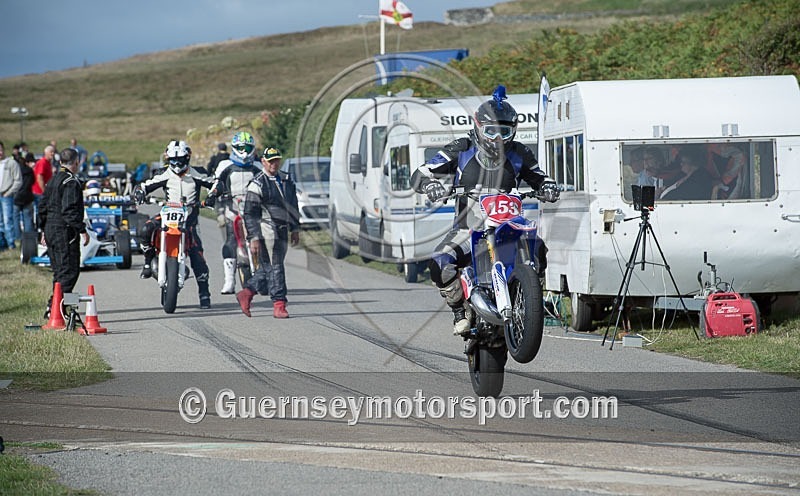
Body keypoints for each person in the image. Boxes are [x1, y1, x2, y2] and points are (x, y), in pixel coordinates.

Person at [410, 86, 560, 335]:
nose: (497, 138)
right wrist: (430, 185)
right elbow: (420, 173)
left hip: (510, 225)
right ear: (478, 127)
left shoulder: (520, 152)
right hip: (468, 228)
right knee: (439, 263)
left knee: (540, 249)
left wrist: (548, 187)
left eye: (504, 131)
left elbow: (541, 178)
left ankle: (531, 299)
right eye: (491, 131)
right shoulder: (461, 148)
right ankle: (460, 309)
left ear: (513, 131)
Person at [133, 140, 215, 309]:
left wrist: (212, 196)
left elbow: (216, 183)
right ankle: (148, 263)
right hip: (167, 217)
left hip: (189, 221)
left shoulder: (198, 173)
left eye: (180, 160)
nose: (177, 164)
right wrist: (140, 193)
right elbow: (144, 185)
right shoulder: (163, 173)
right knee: (145, 229)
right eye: (173, 160)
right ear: (168, 159)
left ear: (188, 157)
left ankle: (204, 293)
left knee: (197, 255)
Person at [235, 147, 300, 319]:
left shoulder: (287, 180)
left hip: (283, 229)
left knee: (268, 267)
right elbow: (249, 213)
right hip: (267, 230)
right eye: (270, 161)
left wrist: (295, 228)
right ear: (263, 162)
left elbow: (293, 205)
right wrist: (254, 237)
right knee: (276, 266)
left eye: (276, 160)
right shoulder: (257, 183)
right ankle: (279, 304)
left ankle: (247, 293)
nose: (274, 164)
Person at [207, 131, 261, 294]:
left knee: (261, 241)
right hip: (231, 209)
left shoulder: (257, 167)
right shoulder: (225, 165)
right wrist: (216, 205)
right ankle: (229, 281)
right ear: (234, 148)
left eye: (247, 147)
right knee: (230, 241)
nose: (244, 151)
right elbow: (214, 187)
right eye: (241, 147)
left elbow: (267, 187)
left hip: (253, 211)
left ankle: (261, 274)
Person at [38, 148, 90, 309]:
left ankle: (64, 307)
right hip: (64, 231)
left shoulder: (52, 180)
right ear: (76, 162)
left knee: (59, 271)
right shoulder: (70, 182)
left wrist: (42, 230)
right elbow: (69, 211)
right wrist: (82, 230)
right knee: (70, 271)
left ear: (60, 162)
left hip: (50, 229)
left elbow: (42, 207)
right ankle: (55, 307)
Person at [0, 141, 23, 250]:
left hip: (6, 196)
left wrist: (9, 192)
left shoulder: (11, 163)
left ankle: (11, 243)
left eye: (0, 150)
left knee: (7, 220)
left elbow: (18, 181)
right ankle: (2, 243)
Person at [13, 152, 36, 235]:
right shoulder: (30, 171)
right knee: (28, 218)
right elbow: (33, 181)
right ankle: (28, 237)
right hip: (28, 196)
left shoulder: (16, 171)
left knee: (15, 218)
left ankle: (17, 236)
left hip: (17, 196)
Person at [33, 145, 55, 224]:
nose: (53, 154)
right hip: (40, 192)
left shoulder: (48, 163)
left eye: (53, 152)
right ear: (46, 153)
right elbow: (39, 177)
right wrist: (44, 191)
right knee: (41, 211)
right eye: (51, 152)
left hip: (44, 191)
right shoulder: (42, 162)